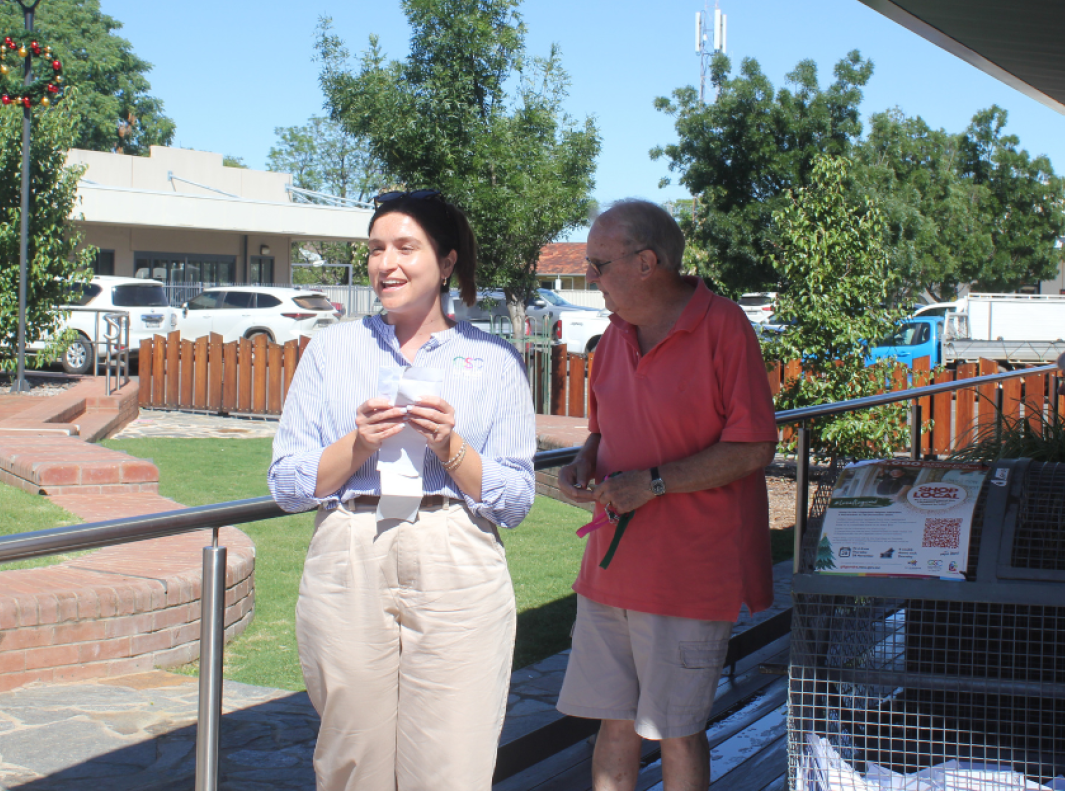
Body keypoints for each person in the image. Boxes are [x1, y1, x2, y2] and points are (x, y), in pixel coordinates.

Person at [268, 190, 536, 791]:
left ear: (445, 264)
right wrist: (356, 445)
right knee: (351, 760)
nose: (386, 263)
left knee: (451, 766)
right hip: (350, 552)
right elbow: (288, 484)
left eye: (405, 247)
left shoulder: (494, 361)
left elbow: (516, 500)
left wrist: (452, 448)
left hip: (457, 556)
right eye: (375, 249)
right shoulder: (332, 351)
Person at [556, 199, 779, 791]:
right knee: (614, 726)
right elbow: (603, 429)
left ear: (647, 261)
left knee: (676, 730)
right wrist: (583, 461)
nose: (590, 278)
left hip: (690, 573)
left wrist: (654, 484)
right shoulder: (612, 336)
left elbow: (754, 447)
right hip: (609, 569)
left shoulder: (724, 326)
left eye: (598, 265)